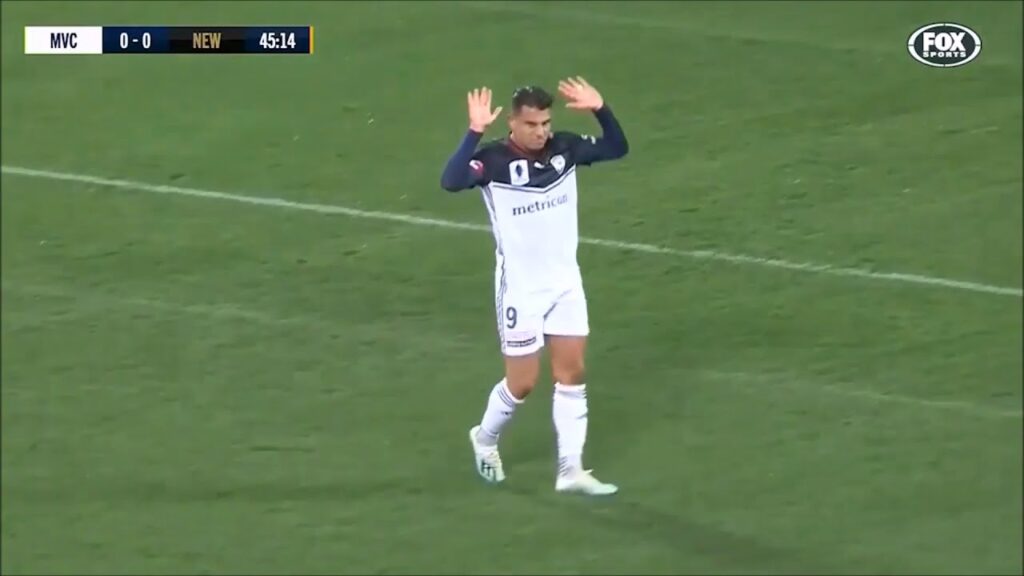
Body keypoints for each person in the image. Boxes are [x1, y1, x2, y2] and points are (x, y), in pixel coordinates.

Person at [440, 77, 629, 495]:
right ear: (513, 123)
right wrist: (473, 132)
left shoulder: (564, 148)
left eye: (545, 122)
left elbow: (617, 147)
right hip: (521, 290)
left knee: (572, 372)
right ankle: (484, 438)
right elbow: (451, 181)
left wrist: (601, 108)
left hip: (565, 283)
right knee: (523, 382)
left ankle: (571, 470)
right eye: (532, 124)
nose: (541, 131)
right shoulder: (491, 161)